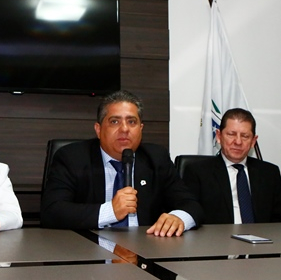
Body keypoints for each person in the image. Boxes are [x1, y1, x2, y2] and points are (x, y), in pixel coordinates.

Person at [41, 90, 204, 236]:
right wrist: (110, 211)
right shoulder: (72, 158)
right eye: (114, 121)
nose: (124, 129)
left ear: (141, 128)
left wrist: (178, 217)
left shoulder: (156, 158)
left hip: (147, 249)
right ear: (98, 129)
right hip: (90, 248)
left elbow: (191, 204)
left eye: (131, 122)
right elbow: (52, 211)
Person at [183, 108, 281, 224]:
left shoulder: (270, 173)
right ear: (219, 136)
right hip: (218, 235)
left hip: (261, 235)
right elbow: (191, 214)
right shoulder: (197, 172)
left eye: (245, 136)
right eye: (231, 134)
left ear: (253, 141)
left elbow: (280, 221)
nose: (238, 142)